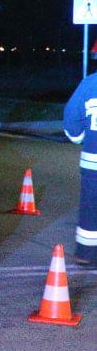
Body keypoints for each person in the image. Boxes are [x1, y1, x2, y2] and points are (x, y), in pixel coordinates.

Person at [64, 70, 97, 267]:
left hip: (93, 163)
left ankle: (86, 253)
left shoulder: (90, 84)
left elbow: (72, 118)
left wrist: (77, 137)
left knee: (90, 207)